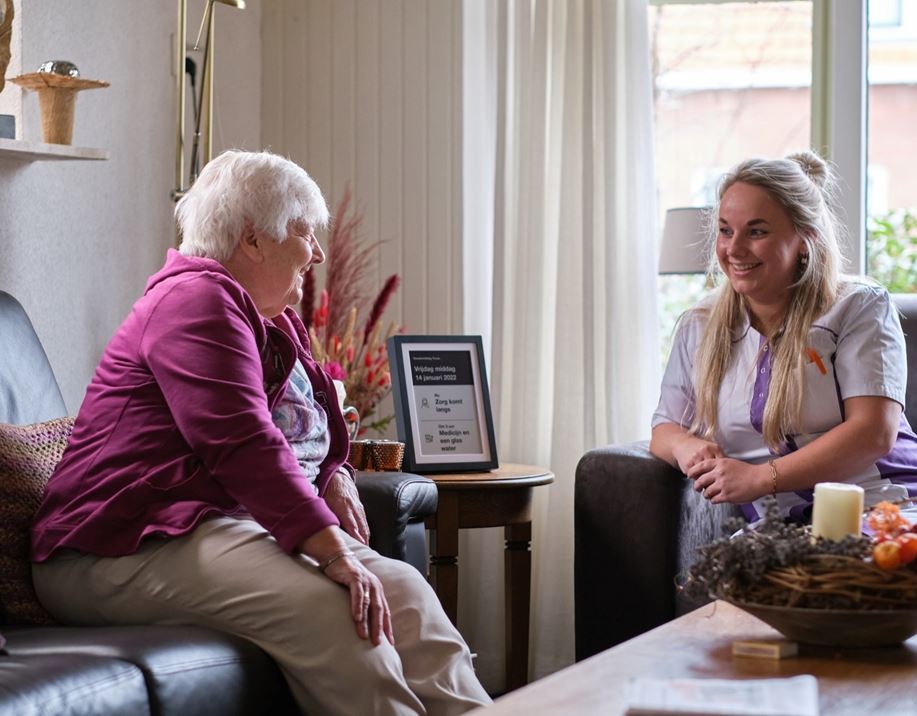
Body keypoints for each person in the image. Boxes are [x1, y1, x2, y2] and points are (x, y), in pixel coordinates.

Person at [31, 150, 491, 715]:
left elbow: (309, 428)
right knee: (340, 612)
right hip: (117, 545)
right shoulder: (194, 299)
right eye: (304, 233)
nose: (317, 253)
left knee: (408, 596)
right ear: (253, 239)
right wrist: (331, 551)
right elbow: (242, 441)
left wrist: (335, 474)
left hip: (207, 526)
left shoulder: (272, 322)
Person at [650, 150, 917, 524]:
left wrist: (760, 478)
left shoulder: (858, 306)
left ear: (804, 239)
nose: (734, 249)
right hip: (779, 528)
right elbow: (665, 428)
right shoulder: (700, 324)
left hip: (884, 506)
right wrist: (687, 447)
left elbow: (873, 432)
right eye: (725, 230)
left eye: (757, 231)